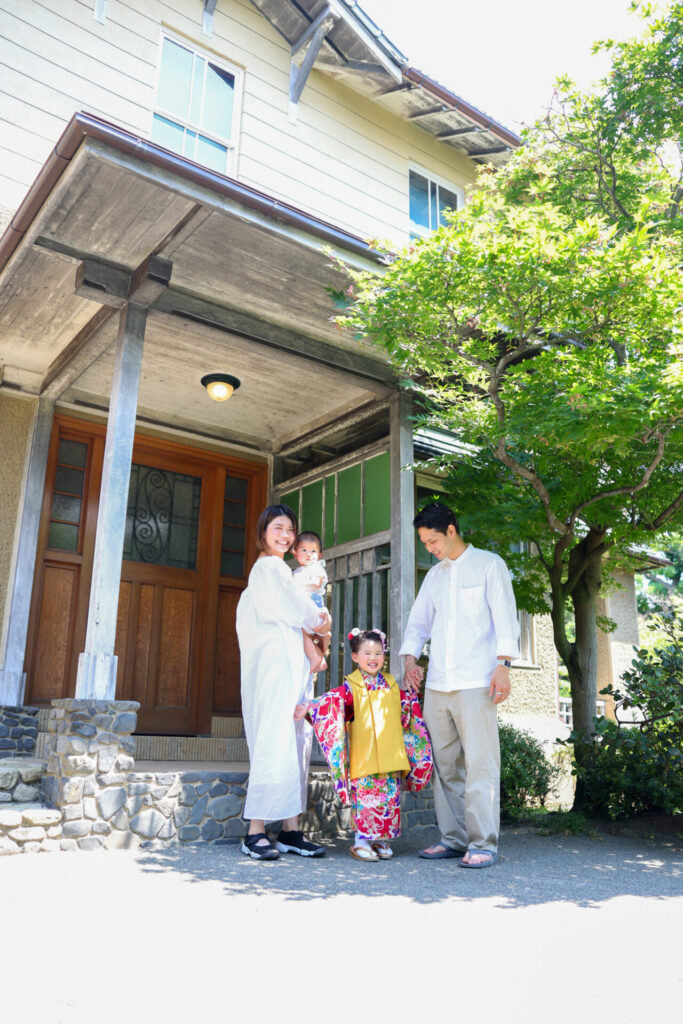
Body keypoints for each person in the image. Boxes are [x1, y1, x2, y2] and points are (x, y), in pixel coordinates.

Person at [400, 502, 520, 869]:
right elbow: (418, 623)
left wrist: (503, 666)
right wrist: (410, 660)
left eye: (433, 541)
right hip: (438, 684)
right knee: (446, 766)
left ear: (451, 530)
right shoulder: (434, 577)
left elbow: (506, 619)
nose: (430, 548)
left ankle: (483, 842)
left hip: (477, 680)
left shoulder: (489, 565)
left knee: (481, 764)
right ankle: (454, 838)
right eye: (424, 543)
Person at [236, 504, 332, 861]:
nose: (286, 536)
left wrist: (314, 626)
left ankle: (291, 830)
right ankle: (255, 831)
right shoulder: (269, 569)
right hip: (274, 671)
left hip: (291, 670)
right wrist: (319, 621)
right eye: (278, 528)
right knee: (273, 740)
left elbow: (298, 612)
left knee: (294, 744)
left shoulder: (278, 571)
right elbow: (299, 609)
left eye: (290, 530)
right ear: (263, 531)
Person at [294, 628, 432, 862]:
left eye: (378, 653)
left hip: (390, 755)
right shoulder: (351, 685)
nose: (373, 658)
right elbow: (332, 701)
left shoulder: (391, 684)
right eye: (367, 653)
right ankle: (360, 841)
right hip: (365, 755)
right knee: (367, 800)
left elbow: (404, 711)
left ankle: (379, 839)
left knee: (388, 799)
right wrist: (309, 706)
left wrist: (411, 697)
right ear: (355, 657)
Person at [291, 531, 330, 673]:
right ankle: (321, 656)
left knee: (300, 631)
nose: (309, 554)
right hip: (306, 609)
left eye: (313, 551)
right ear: (295, 553)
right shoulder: (296, 572)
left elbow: (315, 583)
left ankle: (315, 656)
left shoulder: (316, 568)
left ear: (319, 555)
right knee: (303, 633)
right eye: (304, 550)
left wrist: (293, 586)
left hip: (313, 608)